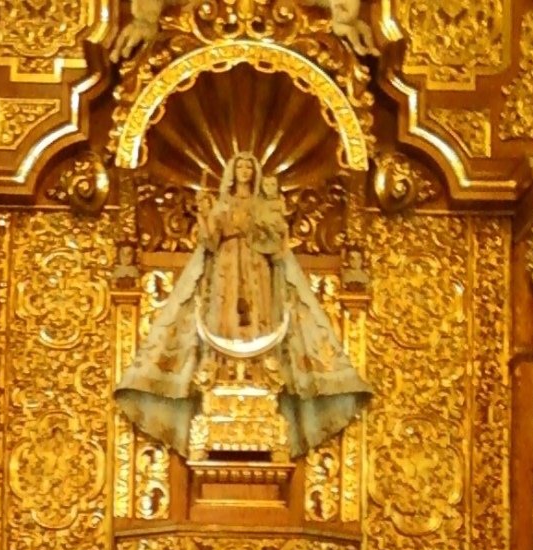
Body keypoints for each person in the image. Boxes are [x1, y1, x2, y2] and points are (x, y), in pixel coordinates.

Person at [115, 151, 370, 458]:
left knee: (259, 322)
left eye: (250, 166)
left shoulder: (263, 206)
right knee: (224, 323)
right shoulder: (223, 205)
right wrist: (204, 213)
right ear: (232, 173)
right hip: (225, 272)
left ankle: (260, 378)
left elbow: (276, 244)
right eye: (241, 166)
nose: (245, 170)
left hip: (257, 271)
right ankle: (220, 378)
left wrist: (267, 227)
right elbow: (210, 242)